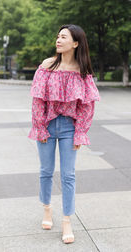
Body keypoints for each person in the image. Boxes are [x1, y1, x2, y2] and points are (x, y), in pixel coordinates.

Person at [28, 24, 101, 244]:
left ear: (75, 43)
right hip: (47, 125)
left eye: (63, 37)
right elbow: (38, 100)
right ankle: (47, 209)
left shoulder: (82, 71)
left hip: (70, 127)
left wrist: (80, 132)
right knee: (46, 171)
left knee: (69, 175)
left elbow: (87, 106)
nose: (58, 40)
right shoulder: (47, 66)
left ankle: (67, 220)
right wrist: (39, 126)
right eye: (58, 36)